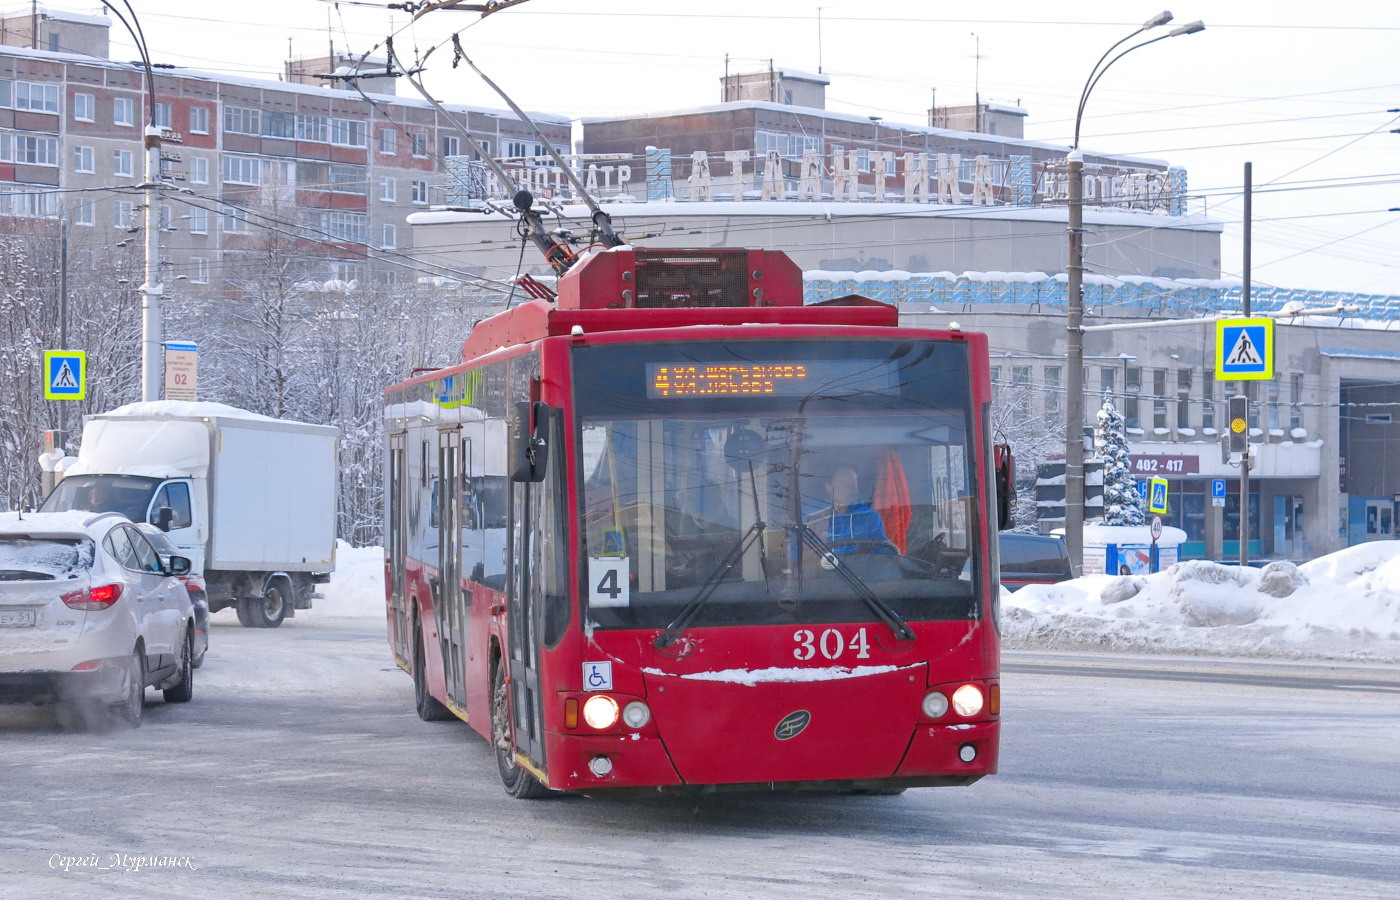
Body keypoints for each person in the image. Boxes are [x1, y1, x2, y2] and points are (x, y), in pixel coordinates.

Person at [807, 466, 889, 555]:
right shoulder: (813, 515)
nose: (852, 489)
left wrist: (893, 552)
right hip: (819, 568)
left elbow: (883, 549)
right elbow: (796, 551)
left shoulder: (868, 515)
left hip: (859, 568)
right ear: (829, 487)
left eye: (854, 484)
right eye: (845, 484)